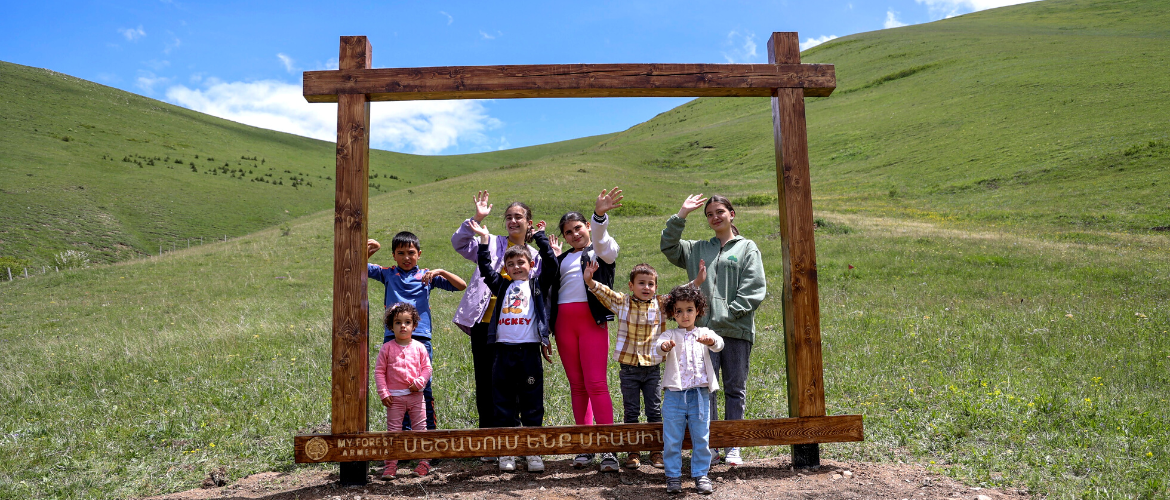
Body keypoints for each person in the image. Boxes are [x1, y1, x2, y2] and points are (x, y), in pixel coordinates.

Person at [660, 194, 766, 467]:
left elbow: (754, 287)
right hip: (704, 334)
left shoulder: (747, 248)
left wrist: (728, 313)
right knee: (707, 390)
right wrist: (682, 213)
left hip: (736, 331)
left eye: (720, 211)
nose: (715, 217)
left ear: (732, 214)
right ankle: (712, 447)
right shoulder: (697, 248)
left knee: (735, 389)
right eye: (709, 214)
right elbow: (669, 246)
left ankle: (733, 446)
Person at [583, 258, 707, 470]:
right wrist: (590, 281)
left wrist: (696, 281)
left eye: (650, 284)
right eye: (641, 283)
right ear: (631, 286)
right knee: (631, 411)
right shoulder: (623, 303)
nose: (646, 287)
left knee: (654, 410)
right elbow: (605, 293)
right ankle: (633, 451)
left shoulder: (661, 305)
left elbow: (678, 295)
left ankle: (655, 450)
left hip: (652, 369)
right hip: (629, 368)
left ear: (656, 287)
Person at [451, 192, 548, 451]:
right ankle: (489, 442)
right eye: (508, 217)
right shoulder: (491, 242)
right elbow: (459, 243)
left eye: (519, 217)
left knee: (518, 385)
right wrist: (476, 218)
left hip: (520, 331)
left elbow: (541, 294)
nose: (513, 221)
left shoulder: (535, 257)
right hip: (486, 324)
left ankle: (516, 441)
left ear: (529, 222)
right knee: (486, 382)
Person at [470, 217, 558, 473]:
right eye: (511, 264)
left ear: (531, 265)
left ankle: (533, 452)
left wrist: (539, 235)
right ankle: (506, 452)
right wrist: (485, 242)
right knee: (503, 402)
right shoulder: (503, 284)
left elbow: (551, 264)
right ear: (506, 269)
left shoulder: (537, 284)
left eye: (521, 262)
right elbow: (486, 269)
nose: (516, 266)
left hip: (529, 351)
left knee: (532, 402)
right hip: (503, 352)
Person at [548, 187, 623, 471]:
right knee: (577, 386)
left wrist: (600, 215)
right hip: (563, 324)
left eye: (578, 227)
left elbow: (604, 243)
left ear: (588, 227)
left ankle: (608, 448)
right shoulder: (561, 258)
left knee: (596, 383)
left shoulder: (603, 250)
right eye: (568, 232)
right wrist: (552, 255)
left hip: (591, 321)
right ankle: (585, 445)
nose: (574, 234)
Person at [367, 231, 467, 432]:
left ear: (419, 254)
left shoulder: (427, 276)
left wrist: (441, 272)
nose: (406, 257)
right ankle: (403, 435)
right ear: (394, 255)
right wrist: (370, 251)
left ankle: (428, 433)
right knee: (397, 387)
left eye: (411, 253)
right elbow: (359, 267)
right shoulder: (388, 273)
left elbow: (461, 285)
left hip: (420, 338)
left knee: (422, 385)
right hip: (393, 338)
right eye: (401, 253)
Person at [655, 285, 722, 495]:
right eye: (679, 311)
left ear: (698, 310)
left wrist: (711, 341)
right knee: (672, 438)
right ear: (673, 313)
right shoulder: (670, 333)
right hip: (674, 395)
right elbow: (658, 346)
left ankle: (701, 474)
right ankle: (673, 476)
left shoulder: (704, 332)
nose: (685, 315)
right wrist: (664, 347)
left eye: (689, 310)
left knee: (701, 436)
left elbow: (719, 344)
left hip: (700, 395)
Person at [374, 303, 434, 479]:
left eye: (407, 322)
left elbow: (427, 368)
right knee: (393, 432)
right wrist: (383, 393)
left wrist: (420, 381)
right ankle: (391, 465)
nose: (403, 326)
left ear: (414, 325)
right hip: (394, 399)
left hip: (416, 397)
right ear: (391, 326)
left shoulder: (419, 347)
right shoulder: (387, 348)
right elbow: (379, 371)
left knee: (420, 430)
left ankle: (424, 462)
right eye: (397, 322)